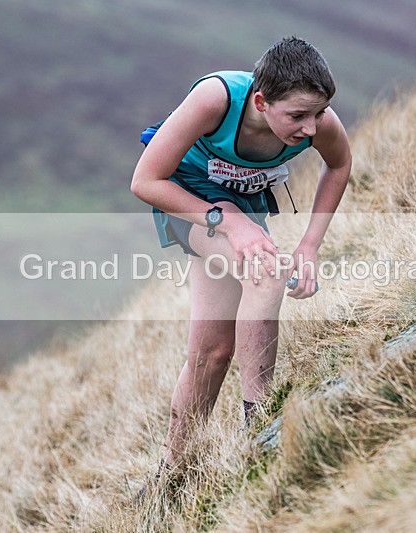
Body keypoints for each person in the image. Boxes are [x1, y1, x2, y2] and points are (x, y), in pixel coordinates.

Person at [130, 37, 351, 472]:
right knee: (267, 272)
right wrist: (227, 221)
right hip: (188, 200)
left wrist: (309, 246)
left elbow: (339, 164)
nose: (311, 128)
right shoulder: (214, 99)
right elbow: (145, 181)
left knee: (212, 352)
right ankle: (261, 424)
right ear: (262, 100)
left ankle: (169, 476)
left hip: (241, 211)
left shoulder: (318, 121)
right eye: (298, 116)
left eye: (319, 113)